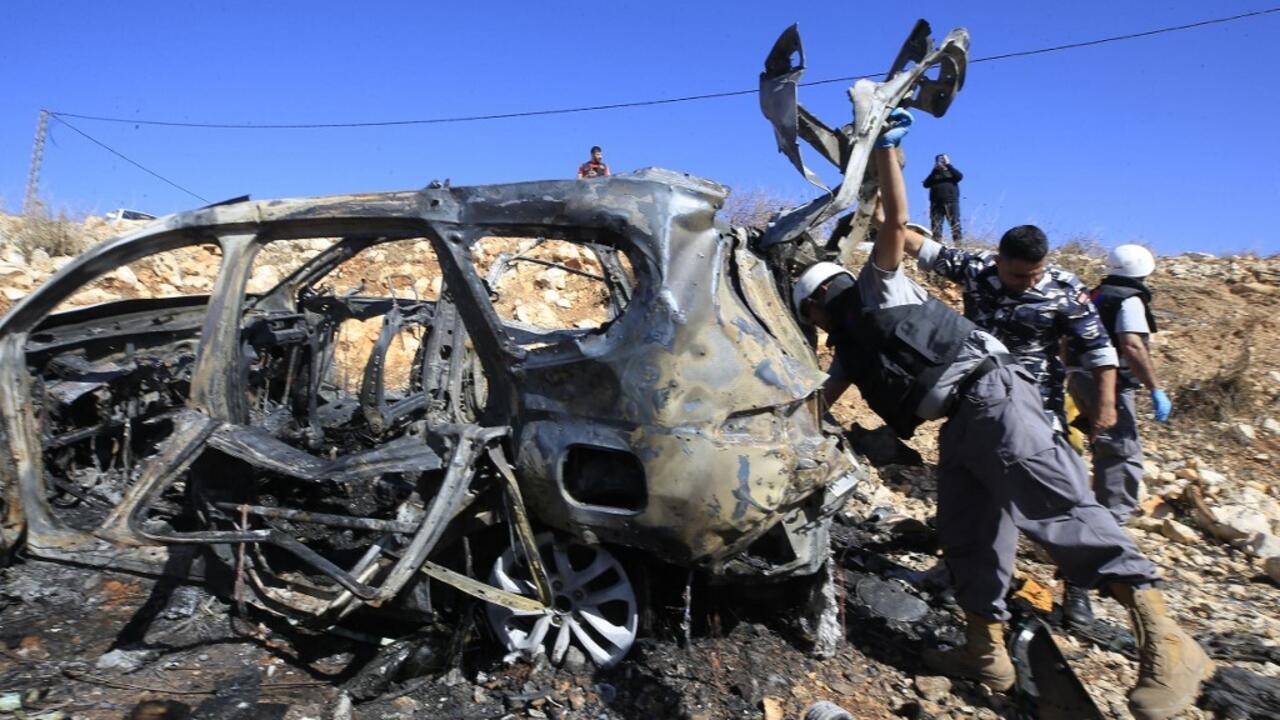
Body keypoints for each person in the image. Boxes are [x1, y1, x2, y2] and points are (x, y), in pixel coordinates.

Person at [792, 108, 1209, 719]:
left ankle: (1166, 639)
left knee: (1056, 508)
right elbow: (820, 400)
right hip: (962, 423)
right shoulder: (855, 348)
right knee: (968, 533)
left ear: (822, 299)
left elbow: (897, 222)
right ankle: (984, 651)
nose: (814, 326)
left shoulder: (878, 289)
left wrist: (887, 153)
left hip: (1000, 397)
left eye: (810, 314)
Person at [904, 223, 1120, 626]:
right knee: (972, 505)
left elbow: (1099, 350)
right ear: (999, 260)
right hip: (976, 409)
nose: (1029, 282)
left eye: (1036, 273)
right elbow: (918, 246)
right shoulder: (975, 268)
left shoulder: (1064, 289)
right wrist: (881, 213)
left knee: (1059, 505)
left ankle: (1079, 589)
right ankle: (960, 578)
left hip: (1037, 415)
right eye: (1020, 275)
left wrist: (1105, 408)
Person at [1068, 244, 1171, 527]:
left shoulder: (1095, 294)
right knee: (1121, 449)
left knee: (1102, 442)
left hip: (1079, 376)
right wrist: (1155, 388)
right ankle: (1112, 519)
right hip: (1108, 382)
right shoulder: (1129, 300)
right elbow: (1132, 344)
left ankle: (1090, 508)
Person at [923, 153, 963, 243]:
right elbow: (926, 184)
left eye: (943, 160)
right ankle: (936, 243)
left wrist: (948, 165)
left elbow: (959, 177)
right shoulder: (934, 174)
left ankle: (958, 244)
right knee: (936, 225)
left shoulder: (952, 172)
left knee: (954, 223)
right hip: (936, 203)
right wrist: (934, 170)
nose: (941, 162)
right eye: (939, 160)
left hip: (951, 201)